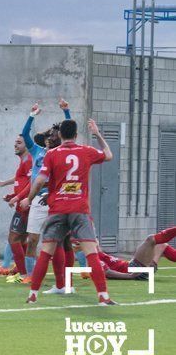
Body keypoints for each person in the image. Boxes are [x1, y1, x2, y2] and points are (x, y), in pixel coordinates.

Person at [21, 118, 115, 305]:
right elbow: (108, 155)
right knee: (91, 252)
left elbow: (39, 180)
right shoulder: (87, 151)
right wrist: (97, 134)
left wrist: (28, 199)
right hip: (79, 209)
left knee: (46, 251)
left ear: (61, 135)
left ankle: (33, 294)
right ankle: (103, 296)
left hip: (57, 209)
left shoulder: (52, 154)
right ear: (76, 134)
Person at [19, 99, 73, 289]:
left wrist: (66, 112)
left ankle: (66, 280)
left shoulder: (63, 153)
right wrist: (31, 115)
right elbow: (25, 135)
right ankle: (30, 276)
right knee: (32, 239)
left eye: (55, 135)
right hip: (37, 200)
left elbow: (70, 131)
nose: (51, 137)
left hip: (56, 199)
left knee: (61, 241)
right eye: (50, 135)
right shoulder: (37, 151)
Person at [0, 135, 32, 283]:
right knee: (21, 239)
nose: (15, 145)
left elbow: (33, 182)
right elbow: (22, 181)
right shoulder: (23, 161)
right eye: (15, 142)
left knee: (14, 238)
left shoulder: (29, 160)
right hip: (22, 203)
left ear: (27, 145)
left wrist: (20, 198)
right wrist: (12, 195)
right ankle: (24, 271)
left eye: (19, 143)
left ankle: (24, 273)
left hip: (25, 206)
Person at [93, 226, 176, 281]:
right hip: (135, 269)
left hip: (135, 268)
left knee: (162, 245)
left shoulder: (99, 253)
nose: (97, 241)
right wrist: (130, 276)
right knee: (151, 239)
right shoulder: (94, 257)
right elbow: (108, 273)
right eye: (94, 239)